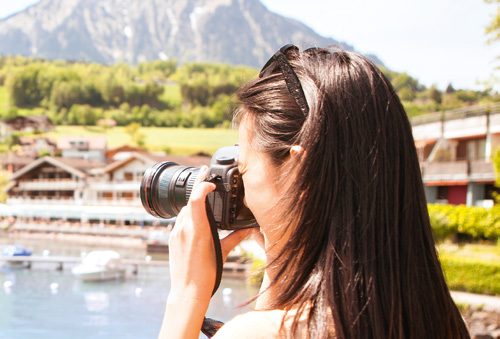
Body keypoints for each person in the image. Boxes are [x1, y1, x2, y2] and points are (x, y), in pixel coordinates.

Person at [158, 45, 471, 338]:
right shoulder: (439, 319)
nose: (242, 192)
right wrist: (284, 268)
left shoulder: (259, 333)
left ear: (298, 174)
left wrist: (186, 294)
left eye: (243, 170)